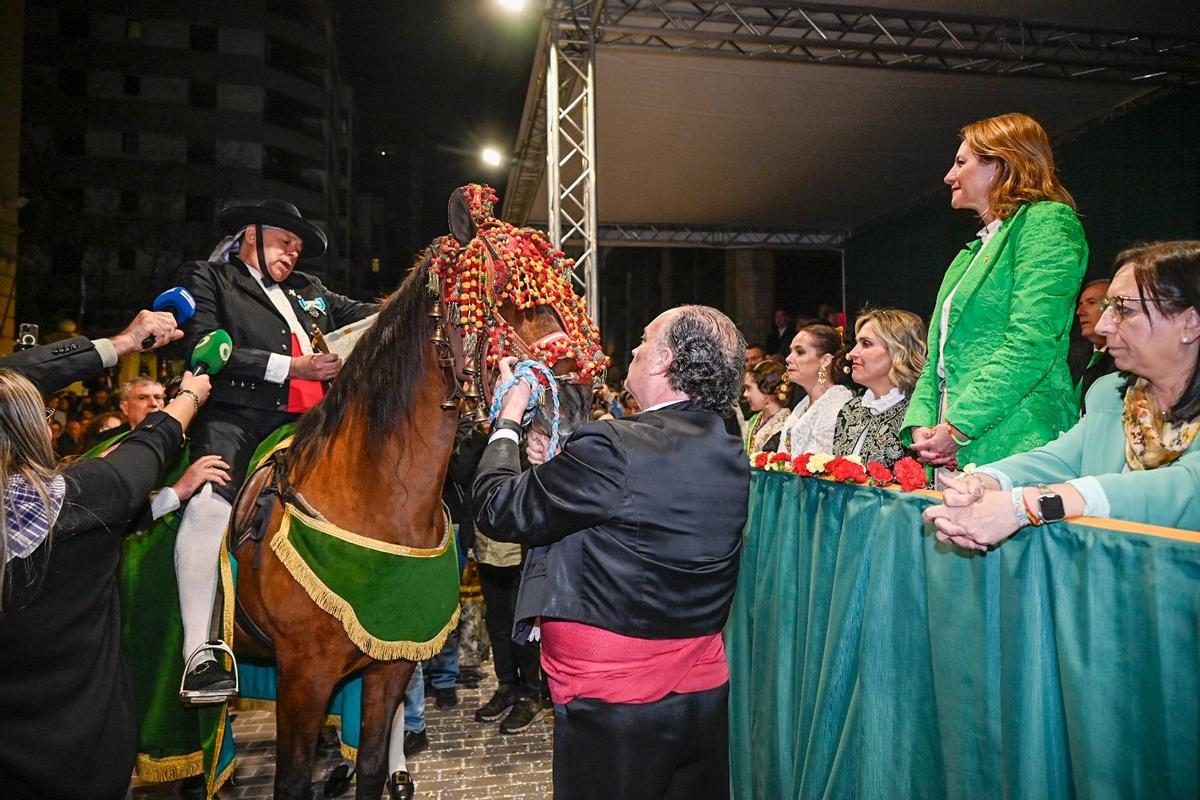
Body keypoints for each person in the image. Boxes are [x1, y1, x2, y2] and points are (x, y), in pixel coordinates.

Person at [473, 305, 749, 800]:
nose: (635, 350)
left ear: (664, 360)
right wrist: (561, 470)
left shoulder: (613, 445)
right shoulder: (725, 443)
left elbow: (496, 508)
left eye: (643, 340)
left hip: (616, 705)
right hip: (700, 689)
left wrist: (508, 417)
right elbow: (640, 516)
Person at [173, 199, 377, 696]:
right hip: (237, 420)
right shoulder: (210, 277)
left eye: (298, 247)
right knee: (206, 504)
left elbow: (372, 314)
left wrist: (429, 294)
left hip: (313, 424)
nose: (292, 253)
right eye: (285, 242)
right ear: (251, 234)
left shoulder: (310, 291)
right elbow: (203, 347)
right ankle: (198, 652)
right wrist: (294, 369)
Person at [0, 344, 207, 798]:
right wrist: (188, 396)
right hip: (85, 758)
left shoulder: (83, 496)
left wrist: (174, 492)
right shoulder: (82, 496)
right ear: (34, 430)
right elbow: (146, 451)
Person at [923, 241, 1200, 550]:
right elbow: (1060, 459)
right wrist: (984, 482)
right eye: (1108, 309)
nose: (1105, 325)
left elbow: (1188, 486)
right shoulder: (1110, 396)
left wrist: (1029, 504)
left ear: (1190, 322)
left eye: (1123, 309)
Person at [902, 112, 1088, 471]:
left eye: (961, 162)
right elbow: (937, 358)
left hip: (1015, 436)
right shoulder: (969, 255)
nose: (949, 176)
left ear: (1001, 164)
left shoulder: (1046, 222)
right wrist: (923, 424)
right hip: (951, 438)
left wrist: (958, 427)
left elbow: (1031, 342)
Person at [832, 309, 927, 468]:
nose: (852, 353)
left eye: (866, 344)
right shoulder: (850, 410)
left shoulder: (917, 414)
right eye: (856, 343)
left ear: (899, 352)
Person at [779, 322, 854, 456]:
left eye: (800, 352)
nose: (788, 358)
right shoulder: (802, 405)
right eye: (791, 351)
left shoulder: (838, 407)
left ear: (825, 360)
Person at [1070, 278, 1116, 412]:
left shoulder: (1126, 362)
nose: (1080, 312)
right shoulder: (1072, 354)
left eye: (1091, 303)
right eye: (1080, 304)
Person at [743, 359, 790, 454]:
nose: (745, 394)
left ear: (765, 390)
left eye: (749, 388)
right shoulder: (755, 419)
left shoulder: (785, 424)